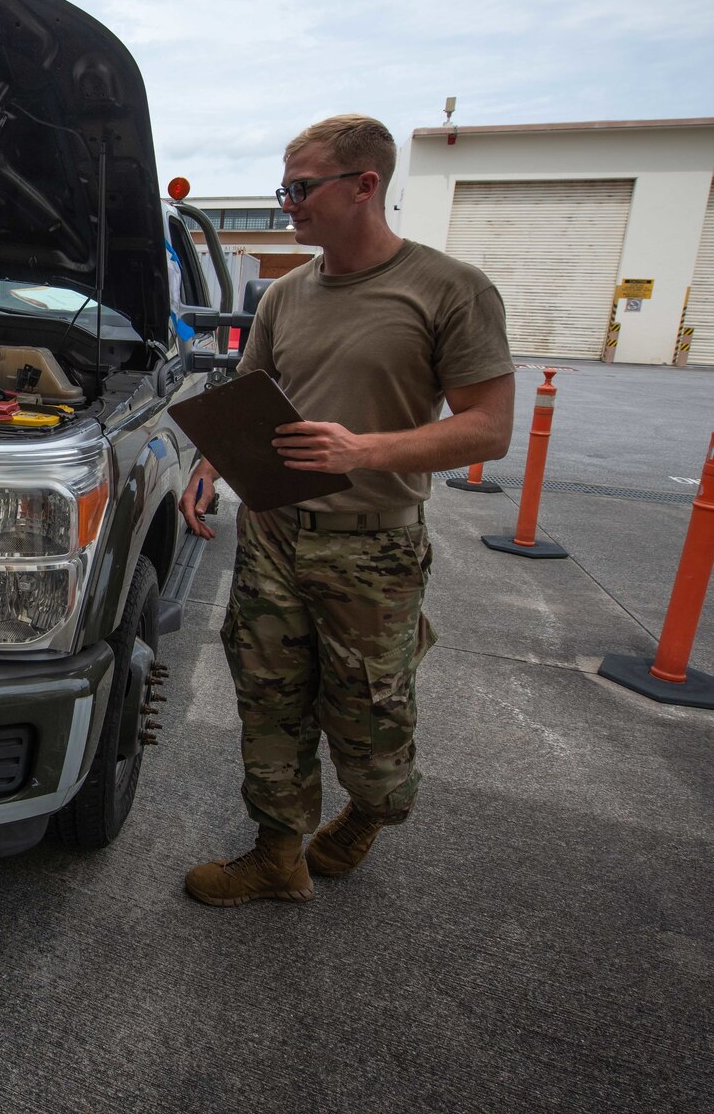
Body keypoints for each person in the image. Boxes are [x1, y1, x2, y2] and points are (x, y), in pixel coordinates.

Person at [177, 114, 514, 907]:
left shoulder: (449, 289)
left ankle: (369, 812)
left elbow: (490, 428)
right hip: (272, 535)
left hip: (372, 550)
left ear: (366, 185)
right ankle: (277, 853)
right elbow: (249, 396)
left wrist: (363, 451)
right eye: (283, 187)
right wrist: (210, 460)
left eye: (301, 187)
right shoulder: (286, 294)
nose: (287, 202)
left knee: (370, 723)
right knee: (269, 703)